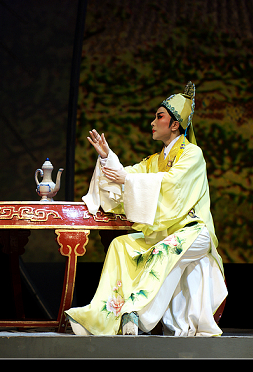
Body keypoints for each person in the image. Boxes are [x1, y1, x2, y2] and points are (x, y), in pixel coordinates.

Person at [65, 82, 227, 336]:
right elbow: (127, 175)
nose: (153, 122)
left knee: (166, 249)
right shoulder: (154, 161)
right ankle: (103, 315)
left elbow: (172, 185)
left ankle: (137, 314)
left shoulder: (192, 154)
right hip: (166, 231)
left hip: (194, 230)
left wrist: (129, 180)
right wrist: (107, 157)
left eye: (159, 116)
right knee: (120, 245)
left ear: (175, 124)